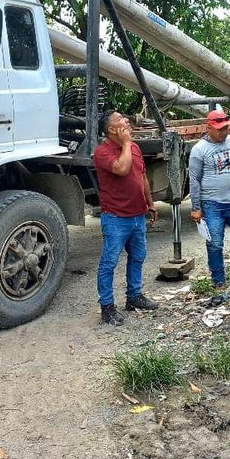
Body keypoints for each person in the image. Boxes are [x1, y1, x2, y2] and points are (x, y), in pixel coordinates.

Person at [93, 111, 159, 326]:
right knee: (109, 263)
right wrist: (126, 143)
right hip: (116, 217)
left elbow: (142, 176)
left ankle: (134, 296)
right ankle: (107, 307)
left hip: (137, 215)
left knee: (138, 256)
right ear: (112, 129)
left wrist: (150, 203)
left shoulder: (135, 148)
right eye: (121, 119)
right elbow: (122, 169)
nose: (127, 121)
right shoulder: (102, 152)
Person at [188, 109, 230, 292]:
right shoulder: (199, 150)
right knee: (215, 244)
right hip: (212, 205)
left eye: (226, 128)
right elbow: (194, 180)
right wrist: (196, 207)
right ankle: (219, 281)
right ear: (209, 127)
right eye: (220, 129)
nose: (224, 132)